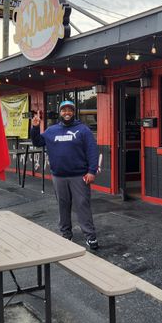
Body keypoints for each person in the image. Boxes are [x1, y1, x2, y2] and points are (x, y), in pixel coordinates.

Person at [30, 100, 99, 249]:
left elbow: (92, 151)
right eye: (63, 110)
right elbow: (37, 142)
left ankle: (90, 236)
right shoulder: (51, 130)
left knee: (82, 205)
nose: (66, 113)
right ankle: (66, 234)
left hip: (79, 176)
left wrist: (91, 171)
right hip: (59, 176)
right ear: (60, 112)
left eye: (70, 110)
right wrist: (35, 127)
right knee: (63, 205)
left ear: (74, 112)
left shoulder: (83, 130)